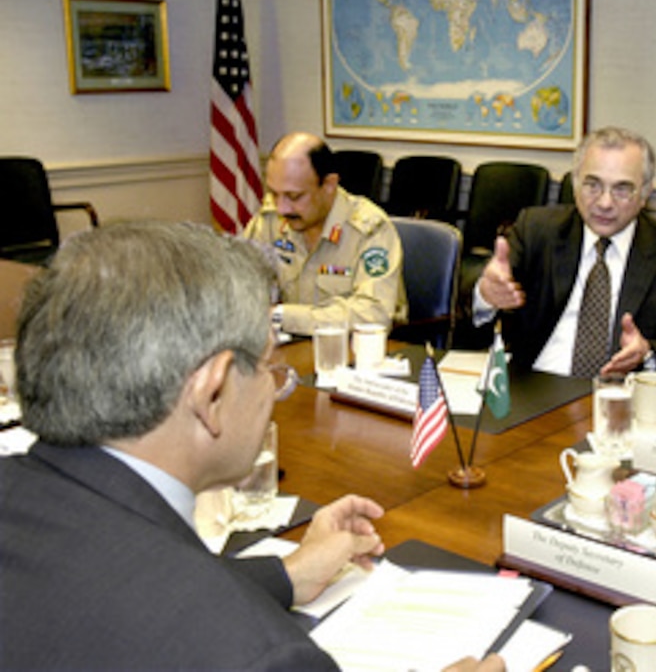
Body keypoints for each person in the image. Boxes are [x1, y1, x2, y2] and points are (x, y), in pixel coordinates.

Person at [0, 221, 501, 671]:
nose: (275, 386)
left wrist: (289, 574)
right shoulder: (259, 655)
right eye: (270, 365)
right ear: (211, 392)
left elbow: (116, 582)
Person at [474, 126, 656, 393]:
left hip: (622, 402)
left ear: (645, 192)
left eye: (622, 189)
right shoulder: (537, 230)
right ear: (576, 183)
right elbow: (479, 303)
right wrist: (486, 294)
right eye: (592, 185)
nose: (604, 202)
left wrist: (648, 353)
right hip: (535, 390)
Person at [244, 131, 407, 335]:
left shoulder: (369, 229)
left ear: (329, 185)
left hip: (352, 355)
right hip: (287, 351)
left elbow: (373, 315)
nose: (282, 208)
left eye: (294, 196)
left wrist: (281, 316)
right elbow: (237, 286)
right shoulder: (269, 221)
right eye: (274, 194)